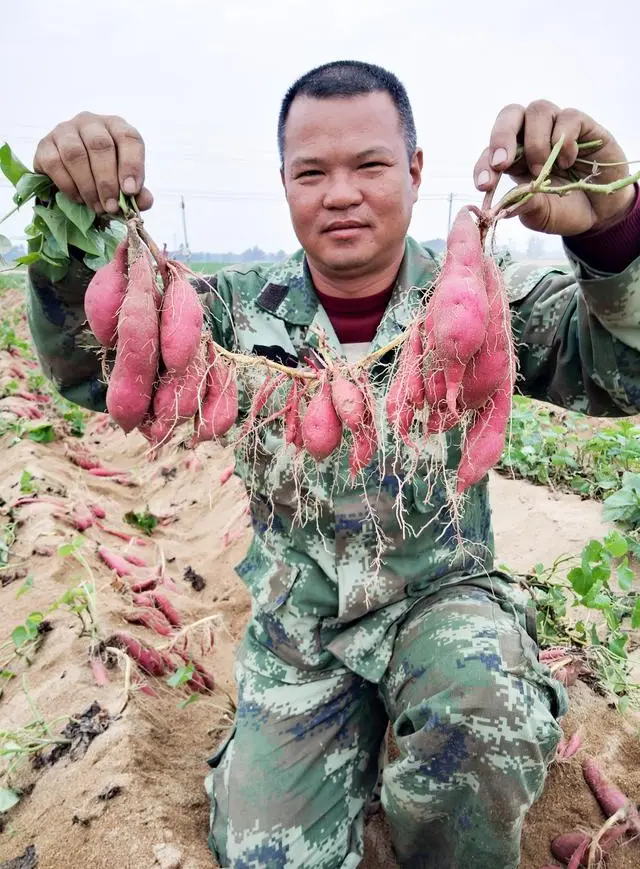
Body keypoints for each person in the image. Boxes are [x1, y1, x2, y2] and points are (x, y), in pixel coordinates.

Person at [26, 61, 640, 869]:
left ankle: (434, 768)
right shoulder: (230, 315)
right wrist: (74, 227)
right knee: (269, 854)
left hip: (442, 598)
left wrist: (613, 228)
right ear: (283, 182)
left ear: (417, 173)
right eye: (311, 171)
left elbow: (622, 368)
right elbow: (95, 369)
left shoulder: (489, 298)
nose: (340, 193)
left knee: (480, 714)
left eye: (371, 165)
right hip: (299, 624)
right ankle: (344, 744)